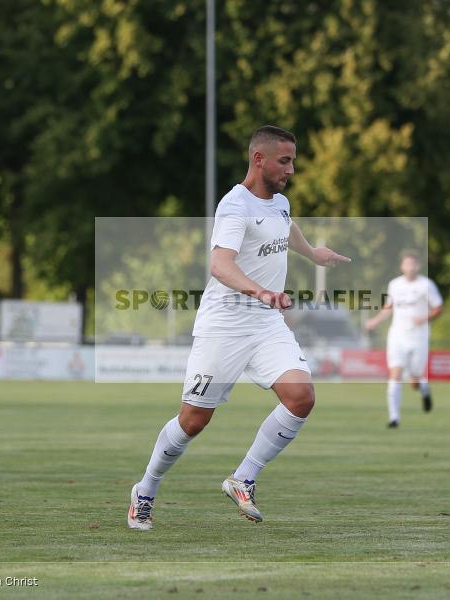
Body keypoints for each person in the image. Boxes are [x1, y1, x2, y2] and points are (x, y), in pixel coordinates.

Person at [127, 126, 351, 530]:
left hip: (265, 325)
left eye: (293, 160)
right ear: (258, 159)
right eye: (285, 161)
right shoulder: (235, 206)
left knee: (301, 397)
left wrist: (313, 254)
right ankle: (145, 489)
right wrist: (262, 291)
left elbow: (285, 226)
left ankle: (243, 478)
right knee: (193, 421)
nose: (292, 169)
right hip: (224, 327)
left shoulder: (279, 203)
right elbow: (220, 264)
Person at [364, 252, 443, 426]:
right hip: (397, 335)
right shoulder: (395, 284)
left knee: (413, 379)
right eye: (407, 264)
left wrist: (423, 319)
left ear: (418, 266)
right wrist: (374, 322)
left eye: (413, 264)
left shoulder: (426, 285)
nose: (410, 267)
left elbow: (438, 308)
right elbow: (388, 307)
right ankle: (394, 418)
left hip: (419, 336)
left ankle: (424, 389)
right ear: (402, 266)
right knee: (395, 374)